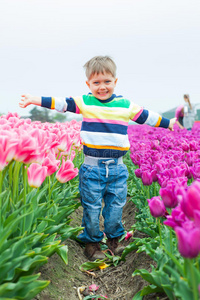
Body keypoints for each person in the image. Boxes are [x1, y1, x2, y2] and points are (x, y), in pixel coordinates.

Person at [19, 55, 176, 261]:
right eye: (96, 82)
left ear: (115, 82)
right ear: (88, 84)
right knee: (92, 207)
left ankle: (114, 240)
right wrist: (34, 99)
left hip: (118, 168)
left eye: (107, 81)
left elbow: (147, 116)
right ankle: (92, 243)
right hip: (92, 168)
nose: (102, 87)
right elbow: (61, 104)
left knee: (116, 206)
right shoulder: (85, 102)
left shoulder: (125, 105)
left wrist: (169, 123)